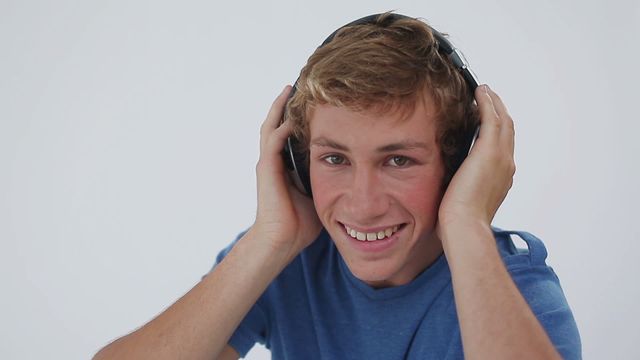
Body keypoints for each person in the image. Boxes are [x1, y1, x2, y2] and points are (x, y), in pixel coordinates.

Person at [94, 12, 581, 360]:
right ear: (298, 165)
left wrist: (467, 225)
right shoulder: (289, 263)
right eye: (333, 158)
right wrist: (269, 239)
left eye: (398, 160)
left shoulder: (514, 290)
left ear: (458, 165)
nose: (363, 205)